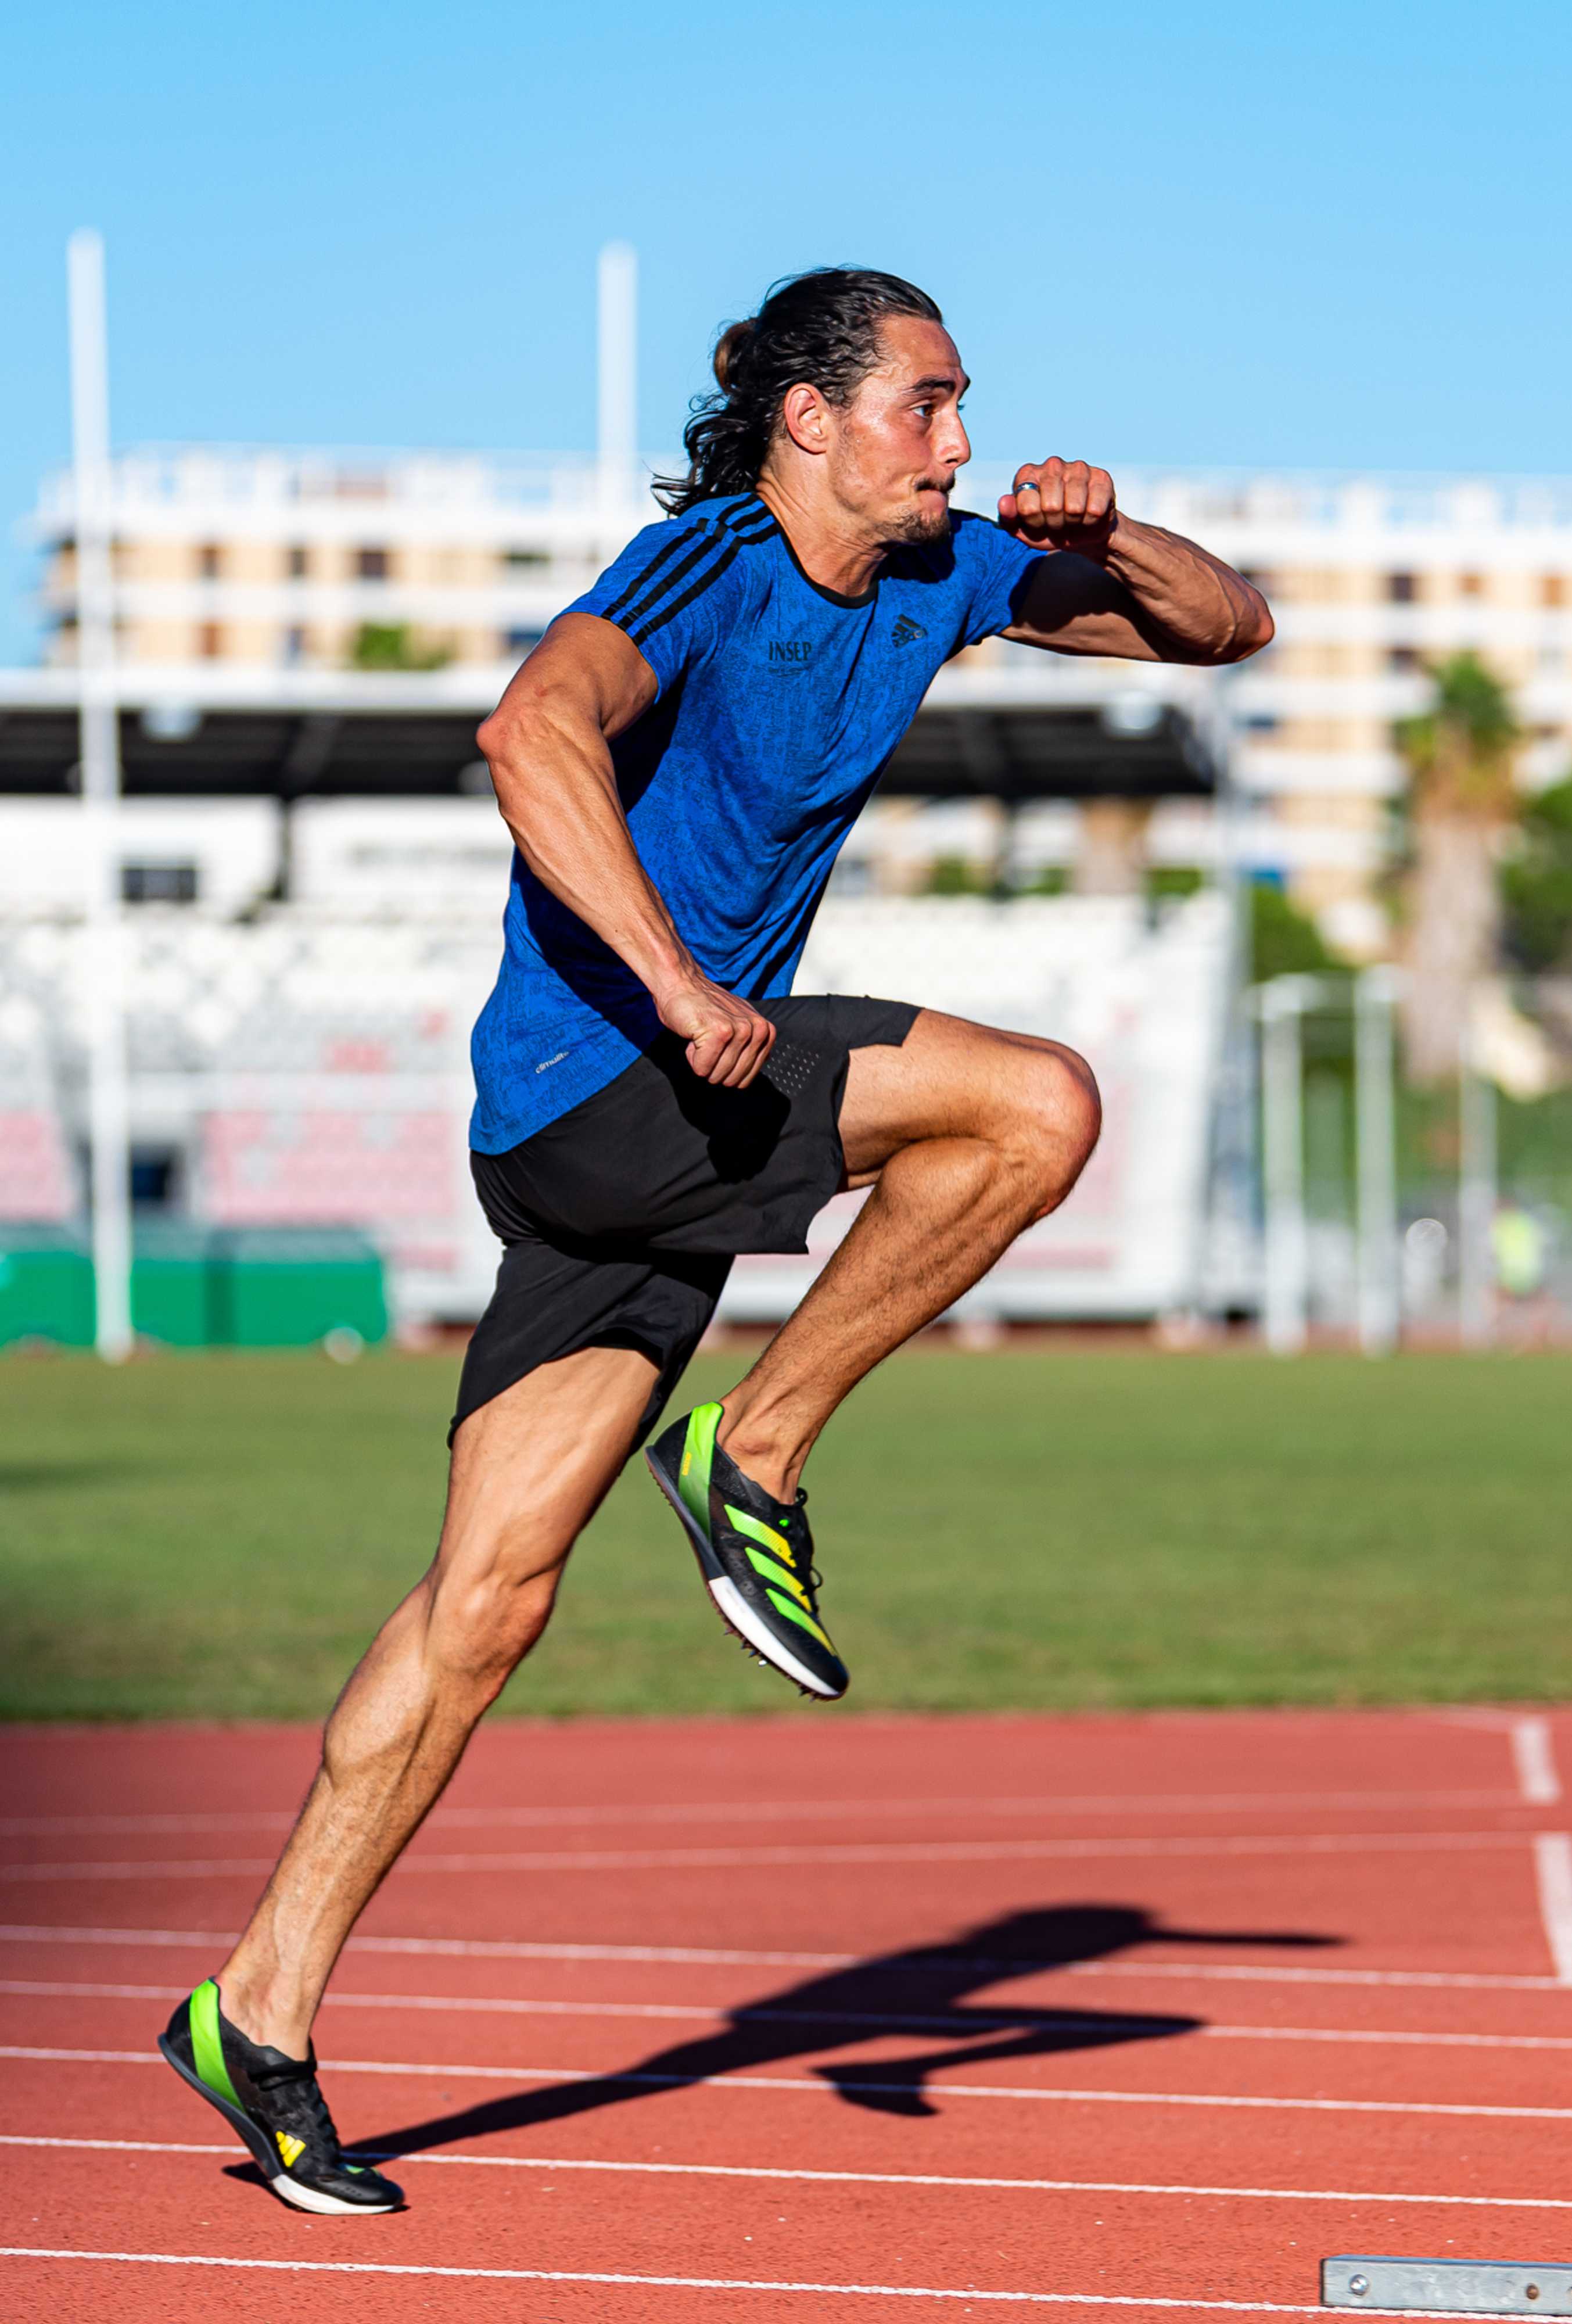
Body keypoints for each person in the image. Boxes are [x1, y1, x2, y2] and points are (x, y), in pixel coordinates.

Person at [156, 266, 1272, 2215]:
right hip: (614, 1097)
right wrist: (672, 982)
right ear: (808, 420)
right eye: (927, 405)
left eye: (967, 405)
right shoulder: (704, 568)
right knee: (1040, 1106)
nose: (961, 439)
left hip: (653, 1156)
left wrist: (1116, 527)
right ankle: (752, 1450)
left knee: (485, 1604)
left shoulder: (952, 570)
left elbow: (1226, 628)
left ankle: (256, 2013)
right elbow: (527, 734)